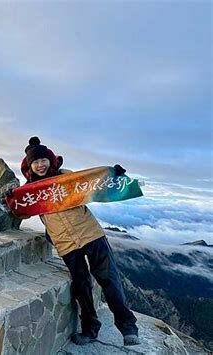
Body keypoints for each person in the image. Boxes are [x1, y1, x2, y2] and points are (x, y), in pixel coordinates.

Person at [19, 136, 140, 346]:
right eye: (35, 162)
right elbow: (21, 213)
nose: (40, 165)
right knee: (81, 287)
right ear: (30, 165)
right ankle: (90, 330)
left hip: (91, 234)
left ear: (50, 160)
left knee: (109, 280)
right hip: (65, 244)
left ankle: (128, 327)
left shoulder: (67, 178)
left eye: (43, 160)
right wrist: (10, 197)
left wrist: (114, 176)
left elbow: (94, 184)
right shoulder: (31, 191)